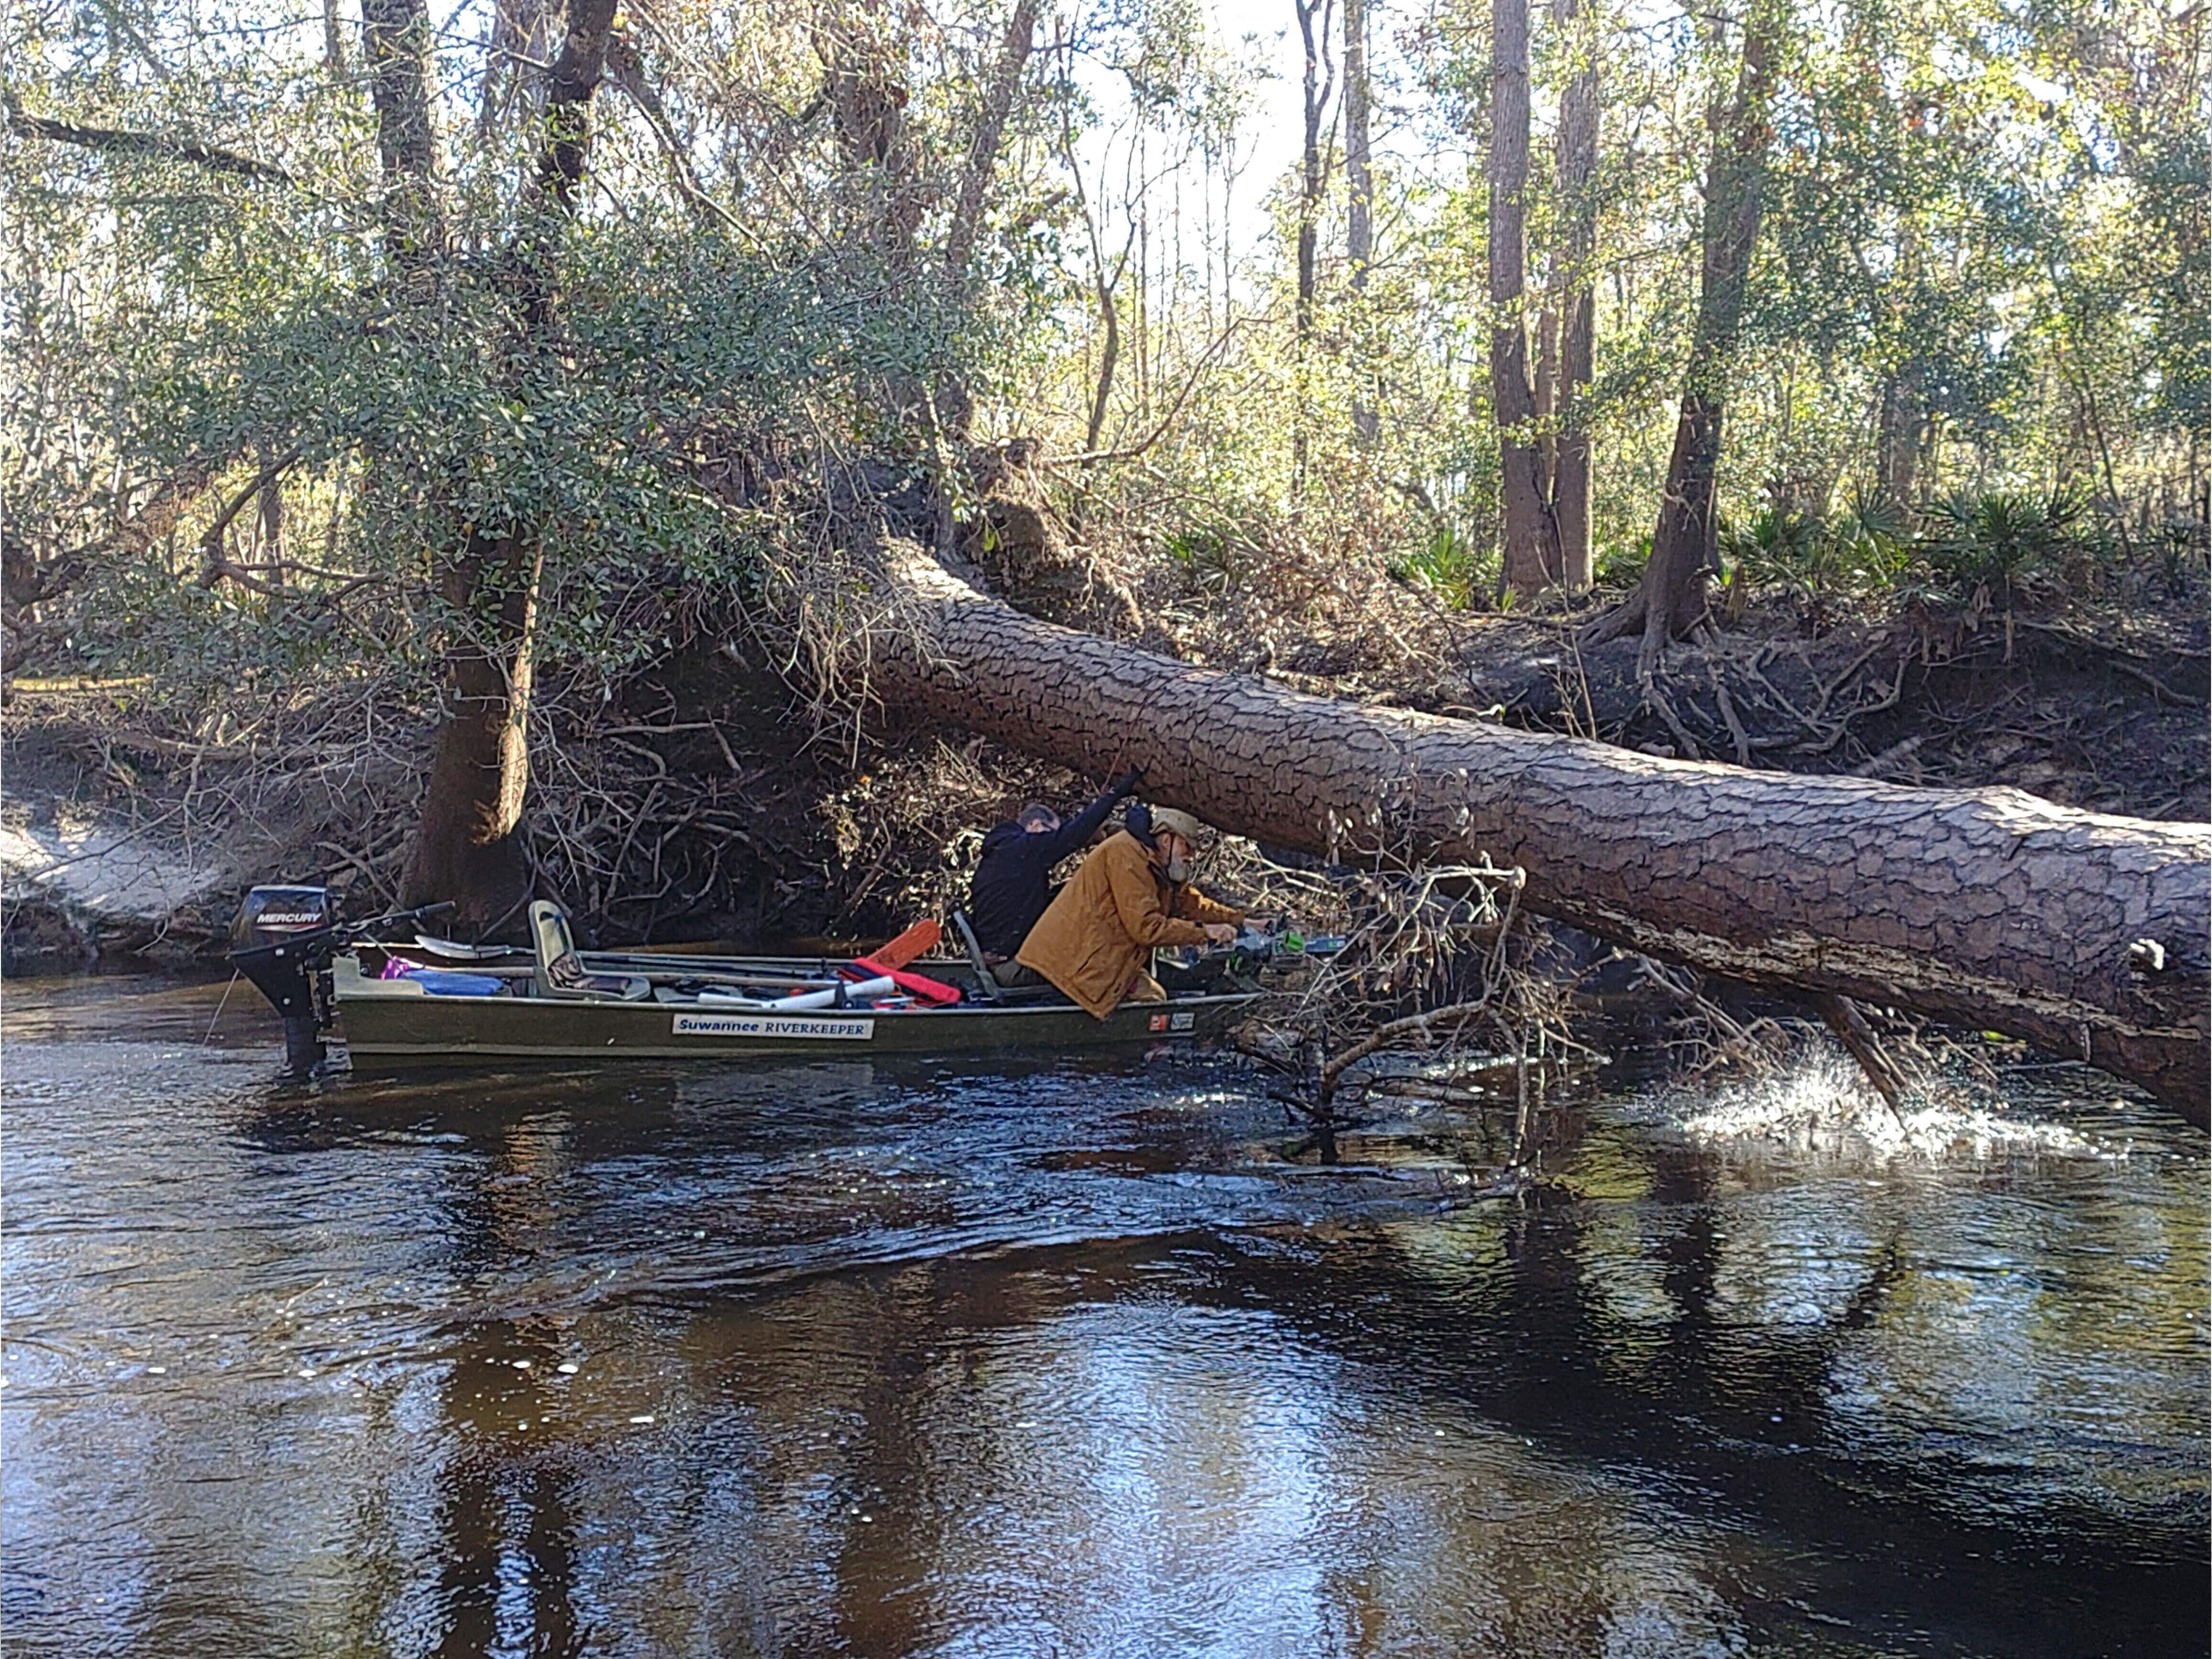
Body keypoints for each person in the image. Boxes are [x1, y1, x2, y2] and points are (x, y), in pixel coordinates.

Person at [1014, 805, 1245, 1019]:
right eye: (1188, 846)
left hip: (1093, 955)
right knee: (1153, 1000)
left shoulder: (1155, 863)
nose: (1191, 856)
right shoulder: (1128, 857)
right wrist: (1204, 932)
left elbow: (1191, 904)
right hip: (1074, 963)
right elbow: (1146, 929)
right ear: (1167, 840)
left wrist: (1241, 920)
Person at [967, 767, 1142, 964]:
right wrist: (1116, 794)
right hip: (1011, 960)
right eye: (1049, 832)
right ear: (1035, 826)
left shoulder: (1003, 851)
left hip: (997, 950)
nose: (1049, 839)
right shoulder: (1025, 849)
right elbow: (1072, 834)